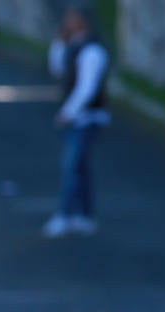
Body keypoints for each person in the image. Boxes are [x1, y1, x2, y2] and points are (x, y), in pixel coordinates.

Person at [43, 5, 110, 238]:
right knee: (80, 168)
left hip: (87, 118)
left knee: (71, 167)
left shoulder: (93, 51)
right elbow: (57, 67)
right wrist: (58, 42)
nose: (68, 22)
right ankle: (84, 215)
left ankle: (65, 214)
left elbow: (87, 88)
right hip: (76, 117)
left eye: (72, 19)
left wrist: (69, 112)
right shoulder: (73, 46)